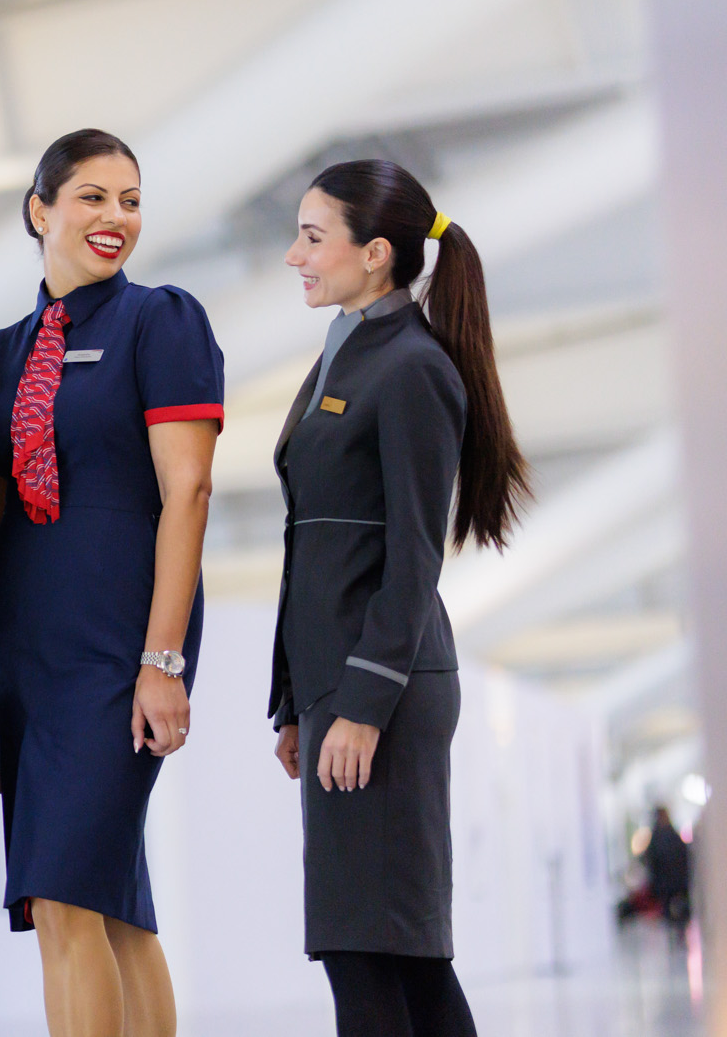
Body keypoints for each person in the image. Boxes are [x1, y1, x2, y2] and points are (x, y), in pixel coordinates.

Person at [269, 160, 529, 1037]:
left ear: (376, 253)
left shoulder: (412, 366)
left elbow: (414, 555)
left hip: (383, 685)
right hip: (340, 685)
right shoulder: (347, 349)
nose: (295, 255)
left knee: (378, 950)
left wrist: (365, 704)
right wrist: (294, 702)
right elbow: (316, 539)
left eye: (313, 237)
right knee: (383, 952)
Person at [0, 129, 223, 1037]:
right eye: (93, 197)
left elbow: (187, 491)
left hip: (118, 648)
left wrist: (164, 658)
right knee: (110, 901)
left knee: (64, 897)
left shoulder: (161, 320)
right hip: (29, 656)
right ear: (40, 211)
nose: (117, 217)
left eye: (130, 199)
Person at [644, 806, 693, 929]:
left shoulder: (656, 838)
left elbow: (652, 863)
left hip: (667, 884)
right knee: (679, 912)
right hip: (675, 883)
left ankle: (676, 934)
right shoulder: (671, 835)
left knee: (671, 915)